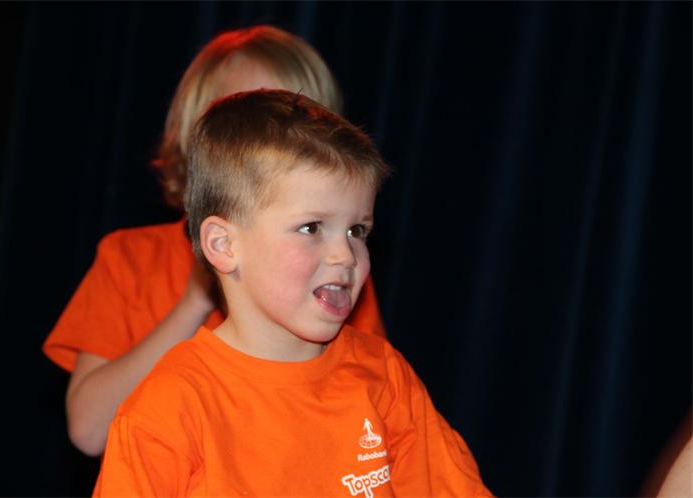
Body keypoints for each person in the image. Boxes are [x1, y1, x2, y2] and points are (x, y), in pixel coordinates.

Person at [92, 89, 492, 497]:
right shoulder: (170, 406)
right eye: (311, 228)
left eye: (357, 230)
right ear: (224, 245)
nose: (345, 255)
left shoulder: (383, 377)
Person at [42, 25, 386, 457]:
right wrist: (195, 299)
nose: (267, 139)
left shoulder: (333, 270)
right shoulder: (129, 257)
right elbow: (90, 431)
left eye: (291, 123)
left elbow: (368, 421)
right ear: (195, 137)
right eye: (243, 119)